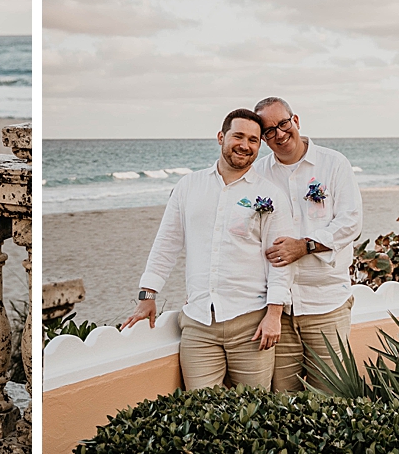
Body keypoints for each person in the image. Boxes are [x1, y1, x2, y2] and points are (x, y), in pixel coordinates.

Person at [120, 109, 294, 389]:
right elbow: (167, 243)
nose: (245, 145)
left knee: (254, 415)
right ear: (221, 137)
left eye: (253, 140)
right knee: (200, 414)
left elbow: (281, 260)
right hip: (199, 325)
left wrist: (274, 315)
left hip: (251, 324)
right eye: (238, 136)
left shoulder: (271, 195)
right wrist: (147, 295)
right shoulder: (189, 186)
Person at [253, 96, 363, 392]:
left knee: (329, 397)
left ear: (296, 121)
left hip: (327, 303)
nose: (279, 134)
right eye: (269, 131)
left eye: (283, 124)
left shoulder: (333, 163)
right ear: (263, 139)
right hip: (279, 309)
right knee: (283, 399)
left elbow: (351, 221)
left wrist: (306, 246)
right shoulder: (258, 175)